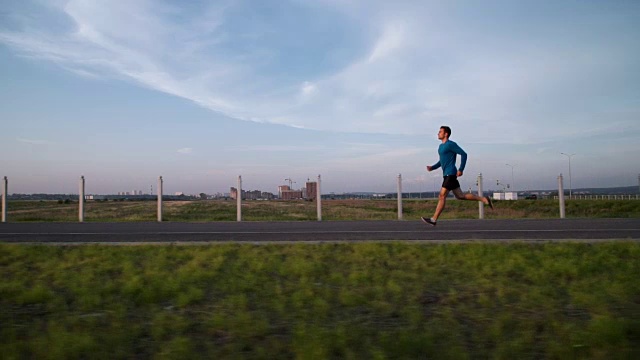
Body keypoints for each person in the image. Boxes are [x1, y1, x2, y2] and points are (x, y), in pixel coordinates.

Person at [422, 126, 493, 226]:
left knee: (441, 196)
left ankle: (434, 219)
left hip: (450, 174)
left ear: (446, 134)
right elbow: (442, 161)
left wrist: (461, 169)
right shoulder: (440, 147)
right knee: (460, 196)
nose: (438, 133)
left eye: (440, 132)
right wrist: (432, 167)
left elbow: (464, 154)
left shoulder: (451, 144)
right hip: (447, 174)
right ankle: (484, 199)